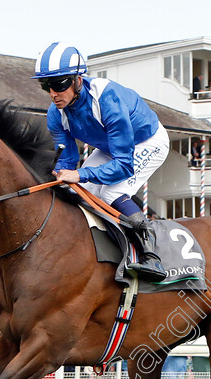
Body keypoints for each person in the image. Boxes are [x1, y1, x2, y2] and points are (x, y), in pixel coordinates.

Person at [34, 42, 168, 282]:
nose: (53, 93)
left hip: (147, 141)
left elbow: (124, 164)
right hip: (110, 147)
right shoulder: (56, 114)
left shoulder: (107, 99)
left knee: (111, 192)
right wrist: (59, 176)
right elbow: (67, 163)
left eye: (58, 84)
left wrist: (80, 174)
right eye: (46, 86)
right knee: (79, 191)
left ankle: (152, 253)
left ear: (77, 79)